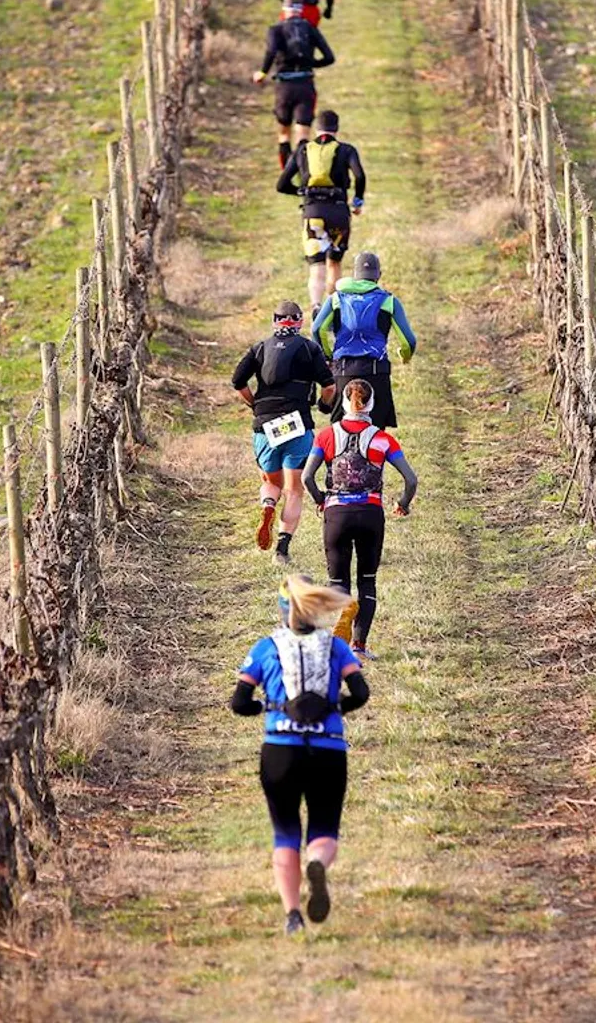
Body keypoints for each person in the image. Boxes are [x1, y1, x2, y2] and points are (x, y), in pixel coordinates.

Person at [231, 574, 370, 935]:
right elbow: (360, 693)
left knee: (285, 833)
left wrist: (267, 706)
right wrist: (334, 706)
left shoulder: (265, 648)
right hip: (328, 750)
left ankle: (293, 915)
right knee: (324, 828)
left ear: (282, 610)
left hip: (280, 750)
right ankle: (317, 861)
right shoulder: (336, 648)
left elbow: (239, 703)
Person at [301, 378, 418, 657]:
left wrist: (321, 500)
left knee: (338, 581)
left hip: (336, 514)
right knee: (367, 579)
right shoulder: (382, 438)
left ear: (344, 402)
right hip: (370, 513)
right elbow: (411, 480)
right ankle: (360, 645)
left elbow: (307, 477)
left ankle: (343, 615)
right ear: (371, 404)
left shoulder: (326, 435)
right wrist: (403, 503)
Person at [231, 301, 336, 561]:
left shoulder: (260, 348)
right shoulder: (309, 348)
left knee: (271, 482)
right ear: (299, 322)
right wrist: (323, 405)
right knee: (294, 490)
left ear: (275, 321)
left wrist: (254, 403)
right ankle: (282, 547)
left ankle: (268, 504)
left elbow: (237, 381)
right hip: (297, 424)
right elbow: (329, 386)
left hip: (265, 426)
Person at [312, 251, 415, 430]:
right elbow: (409, 341)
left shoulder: (336, 298)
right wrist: (404, 356)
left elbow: (317, 329)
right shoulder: (389, 301)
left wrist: (328, 356)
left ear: (355, 274)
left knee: (338, 431)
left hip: (343, 371)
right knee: (375, 433)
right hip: (377, 372)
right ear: (378, 275)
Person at [276, 109, 365, 312]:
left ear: (317, 128)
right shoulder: (346, 150)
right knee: (334, 262)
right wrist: (358, 201)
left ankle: (316, 306)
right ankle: (333, 310)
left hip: (312, 213)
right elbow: (360, 176)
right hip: (339, 213)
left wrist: (302, 192)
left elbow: (281, 184)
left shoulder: (303, 150)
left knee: (316, 267)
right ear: (337, 128)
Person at [253, 0, 336, 171]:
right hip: (306, 84)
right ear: (301, 10)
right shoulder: (310, 29)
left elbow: (271, 51)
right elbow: (329, 57)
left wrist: (263, 72)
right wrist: (310, 64)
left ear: (284, 10)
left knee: (284, 132)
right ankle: (303, 172)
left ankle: (286, 173)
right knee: (303, 132)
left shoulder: (276, 30)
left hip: (284, 86)